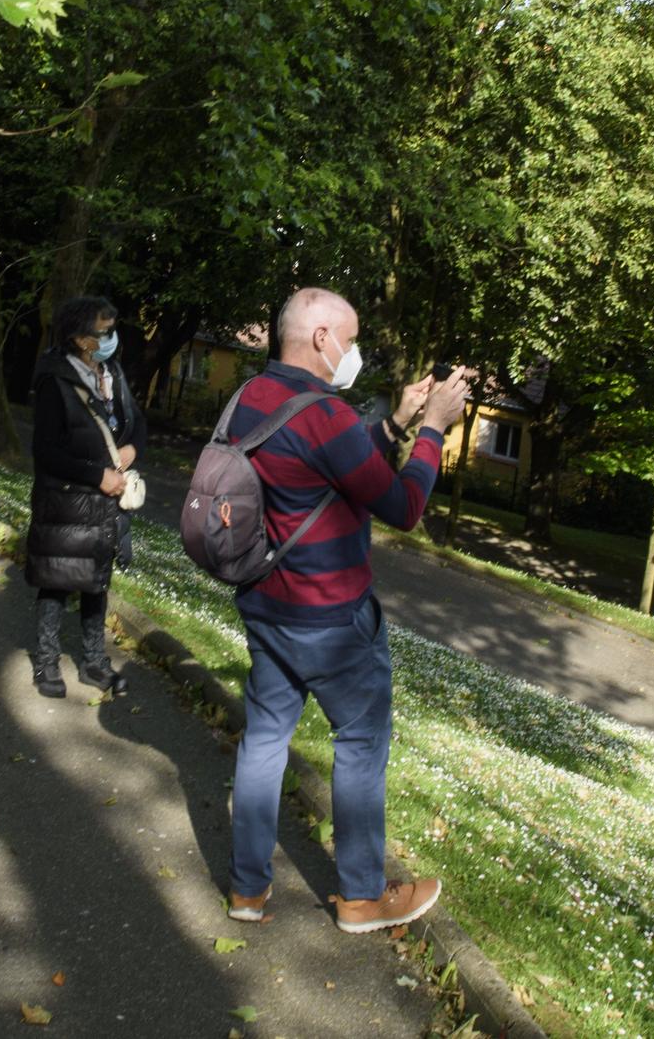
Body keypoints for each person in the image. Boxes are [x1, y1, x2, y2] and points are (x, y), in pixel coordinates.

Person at [223, 287, 469, 934]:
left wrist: (394, 423)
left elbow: (327, 470)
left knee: (265, 739)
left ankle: (247, 890)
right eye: (351, 339)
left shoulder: (250, 397)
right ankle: (361, 895)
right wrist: (435, 427)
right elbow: (402, 507)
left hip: (265, 604)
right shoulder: (325, 413)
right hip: (331, 617)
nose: (354, 352)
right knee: (360, 743)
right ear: (323, 337)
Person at [25, 295, 146, 699]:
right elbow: (45, 449)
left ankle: (95, 663)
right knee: (56, 580)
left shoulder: (112, 372)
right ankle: (46, 663)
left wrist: (132, 450)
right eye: (104, 330)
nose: (111, 337)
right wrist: (97, 475)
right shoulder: (54, 378)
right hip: (66, 500)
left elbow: (135, 425)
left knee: (97, 581)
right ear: (80, 338)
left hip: (105, 504)